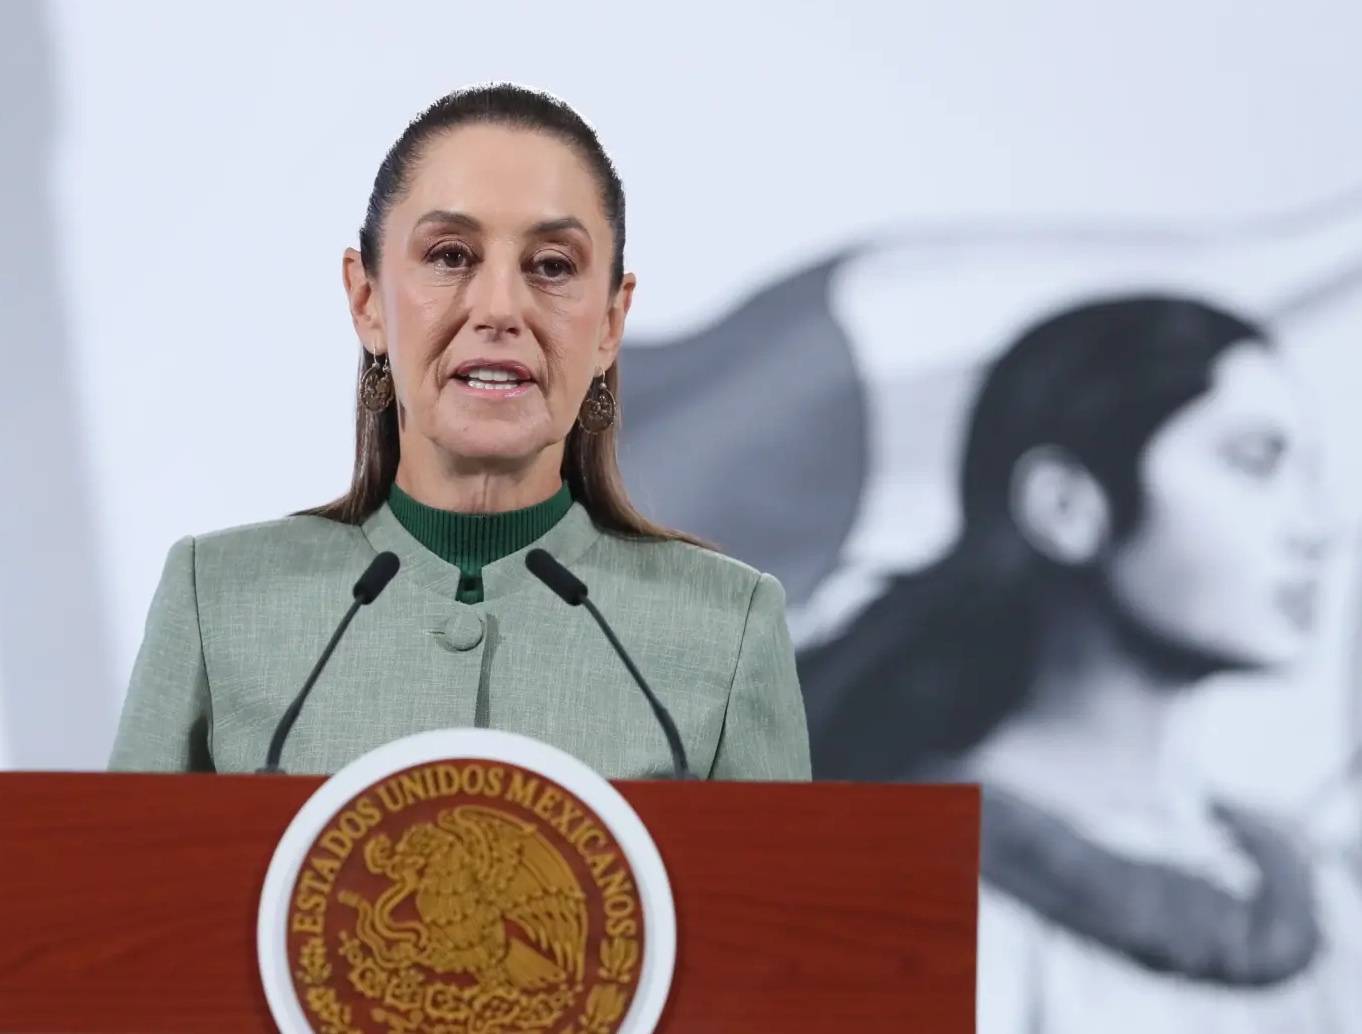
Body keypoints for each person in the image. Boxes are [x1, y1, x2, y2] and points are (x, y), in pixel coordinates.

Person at [107, 83, 811, 781]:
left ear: (610, 323)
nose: (499, 308)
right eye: (450, 256)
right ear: (366, 300)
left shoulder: (728, 626)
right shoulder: (217, 599)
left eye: (553, 266)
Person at [798, 295, 1362, 1031]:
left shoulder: (1320, 895)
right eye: (1255, 462)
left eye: (1308, 475)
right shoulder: (889, 893)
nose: (1317, 529)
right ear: (1065, 505)